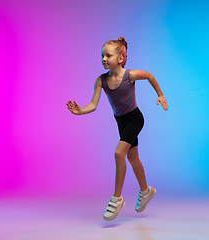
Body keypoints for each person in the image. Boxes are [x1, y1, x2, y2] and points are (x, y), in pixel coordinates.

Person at [66, 37, 168, 221]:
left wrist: (160, 95)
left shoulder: (130, 75)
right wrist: (81, 111)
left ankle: (116, 199)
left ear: (120, 58)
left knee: (119, 154)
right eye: (102, 56)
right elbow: (93, 104)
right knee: (133, 157)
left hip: (135, 119)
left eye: (108, 55)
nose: (104, 59)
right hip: (120, 122)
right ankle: (146, 191)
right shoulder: (101, 81)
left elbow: (150, 76)